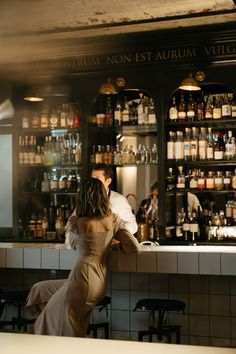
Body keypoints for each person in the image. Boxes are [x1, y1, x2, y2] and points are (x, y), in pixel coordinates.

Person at [33, 177, 140, 337]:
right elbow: (133, 247)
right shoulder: (113, 220)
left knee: (54, 319)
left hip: (80, 279)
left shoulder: (75, 221)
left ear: (82, 196)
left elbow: (73, 243)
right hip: (98, 283)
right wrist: (111, 244)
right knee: (40, 291)